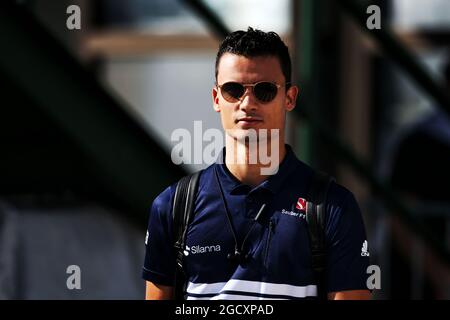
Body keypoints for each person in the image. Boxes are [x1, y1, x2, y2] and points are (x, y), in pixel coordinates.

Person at [142, 27, 371, 300]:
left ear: (290, 97)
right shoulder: (173, 206)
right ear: (217, 99)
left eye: (264, 90)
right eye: (233, 90)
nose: (247, 103)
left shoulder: (334, 208)